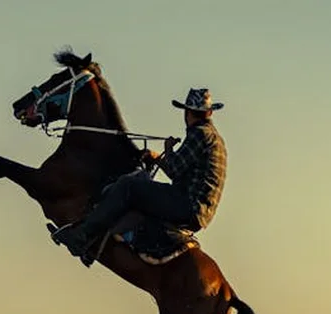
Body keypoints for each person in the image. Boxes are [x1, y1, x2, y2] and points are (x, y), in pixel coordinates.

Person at [52, 87, 228, 259]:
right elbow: (183, 171)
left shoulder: (200, 134)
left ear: (187, 112)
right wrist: (157, 157)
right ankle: (96, 243)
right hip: (199, 212)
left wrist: (167, 150)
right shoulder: (214, 138)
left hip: (186, 205)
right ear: (210, 113)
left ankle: (81, 236)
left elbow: (174, 170)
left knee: (129, 186)